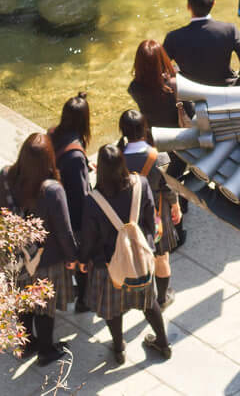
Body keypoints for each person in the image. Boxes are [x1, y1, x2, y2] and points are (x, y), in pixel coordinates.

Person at [78, 142, 166, 365]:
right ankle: (163, 343)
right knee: (149, 302)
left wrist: (82, 259)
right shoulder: (141, 185)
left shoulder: (93, 200)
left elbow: (89, 238)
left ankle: (119, 348)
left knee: (113, 309)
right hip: (139, 259)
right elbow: (149, 222)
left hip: (108, 266)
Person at [0, 131, 78, 361]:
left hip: (14, 255)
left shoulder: (5, 176)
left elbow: (0, 214)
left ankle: (26, 344)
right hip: (46, 259)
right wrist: (73, 255)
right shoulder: (52, 190)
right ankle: (45, 350)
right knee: (44, 306)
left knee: (22, 303)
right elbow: (64, 230)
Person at [116, 109, 182, 350]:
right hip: (156, 213)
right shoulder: (156, 156)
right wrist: (175, 205)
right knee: (161, 257)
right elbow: (168, 185)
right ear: (145, 128)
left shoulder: (118, 155)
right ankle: (162, 297)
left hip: (128, 215)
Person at [164, 0, 240, 87]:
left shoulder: (173, 38)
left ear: (188, 6)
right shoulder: (229, 30)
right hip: (224, 87)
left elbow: (158, 69)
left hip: (191, 92)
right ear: (213, 4)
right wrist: (236, 84)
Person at [50, 93, 93, 235]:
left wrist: (85, 166)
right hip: (68, 217)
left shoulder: (51, 134)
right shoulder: (76, 156)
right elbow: (80, 197)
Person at [128, 39, 184, 133]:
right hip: (178, 132)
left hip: (154, 133)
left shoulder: (133, 88)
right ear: (162, 58)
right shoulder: (173, 84)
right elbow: (190, 111)